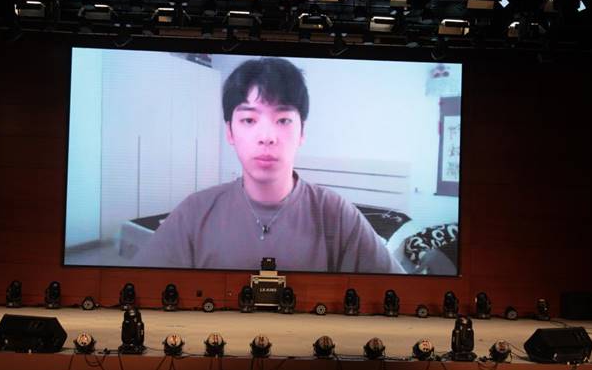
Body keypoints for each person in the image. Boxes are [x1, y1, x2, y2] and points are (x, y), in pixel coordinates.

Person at [133, 57, 403, 273]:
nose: (266, 137)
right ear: (230, 132)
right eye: (249, 120)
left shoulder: (337, 215)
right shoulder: (194, 212)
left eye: (283, 120)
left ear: (302, 132)